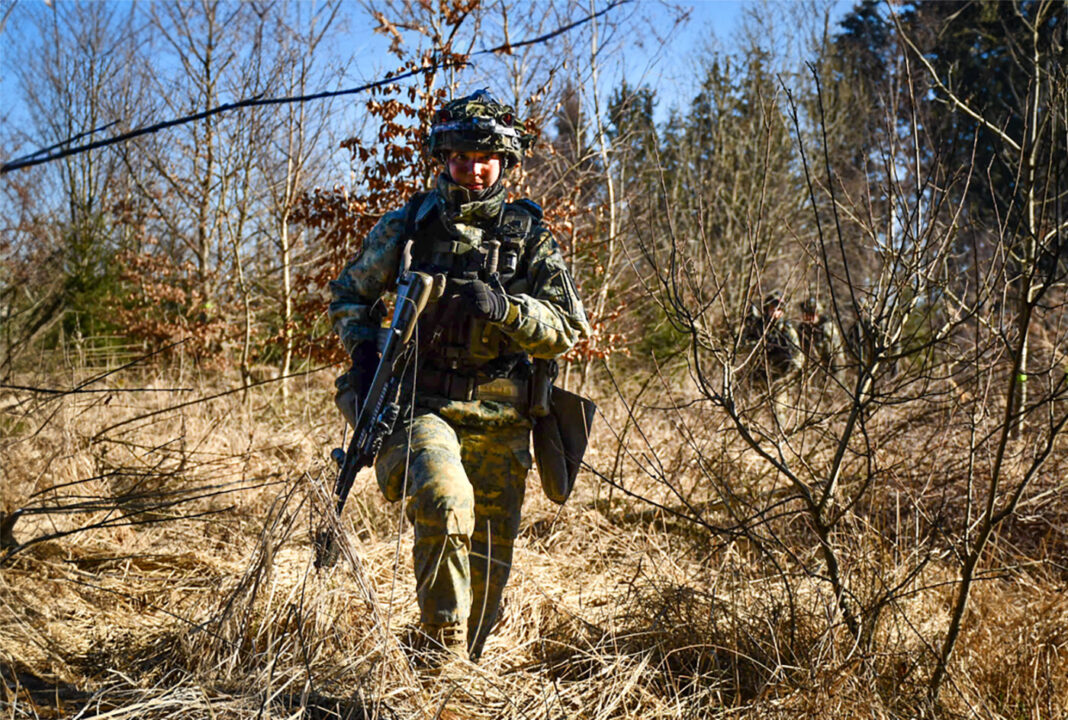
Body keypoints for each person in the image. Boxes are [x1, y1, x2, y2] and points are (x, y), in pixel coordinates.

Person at [328, 90, 591, 664]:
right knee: (446, 504)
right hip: (421, 406)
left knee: (489, 566)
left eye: (486, 157)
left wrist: (505, 309)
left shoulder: (527, 237)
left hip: (502, 421)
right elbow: (348, 294)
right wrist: (363, 355)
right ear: (443, 157)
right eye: (462, 155)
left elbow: (569, 327)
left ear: (505, 162)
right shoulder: (410, 227)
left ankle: (454, 661)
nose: (474, 168)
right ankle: (443, 666)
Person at [742, 290, 803, 396]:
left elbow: (799, 357)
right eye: (772, 308)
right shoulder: (757, 328)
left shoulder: (787, 331)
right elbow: (742, 348)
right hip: (758, 378)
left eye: (779, 309)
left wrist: (786, 376)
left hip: (779, 380)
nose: (775, 312)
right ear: (766, 309)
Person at [797, 295, 844, 383]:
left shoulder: (828, 328)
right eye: (806, 314)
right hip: (809, 371)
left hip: (828, 371)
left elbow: (837, 356)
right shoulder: (802, 329)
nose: (809, 317)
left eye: (812, 314)